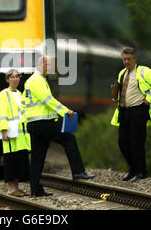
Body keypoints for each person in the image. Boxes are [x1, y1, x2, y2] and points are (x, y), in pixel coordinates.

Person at [23, 56, 94, 197]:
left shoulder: (32, 80)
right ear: (42, 64)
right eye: (49, 65)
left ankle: (36, 190)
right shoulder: (37, 80)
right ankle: (78, 172)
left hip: (35, 123)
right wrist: (65, 111)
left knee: (38, 157)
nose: (51, 68)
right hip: (42, 123)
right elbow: (48, 100)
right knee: (69, 139)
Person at [111, 47, 151, 182]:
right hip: (124, 112)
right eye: (124, 59)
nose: (126, 62)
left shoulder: (144, 71)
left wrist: (148, 100)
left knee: (137, 142)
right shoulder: (122, 73)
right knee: (122, 142)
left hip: (138, 111)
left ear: (135, 59)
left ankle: (141, 172)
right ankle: (133, 169)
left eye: (129, 59)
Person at [0, 69, 31, 197]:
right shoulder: (3, 94)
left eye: (17, 76)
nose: (15, 79)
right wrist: (3, 131)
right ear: (7, 79)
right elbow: (2, 113)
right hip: (10, 133)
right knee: (10, 160)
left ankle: (16, 188)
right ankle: (11, 189)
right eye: (12, 77)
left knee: (18, 160)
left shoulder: (20, 94)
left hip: (20, 135)